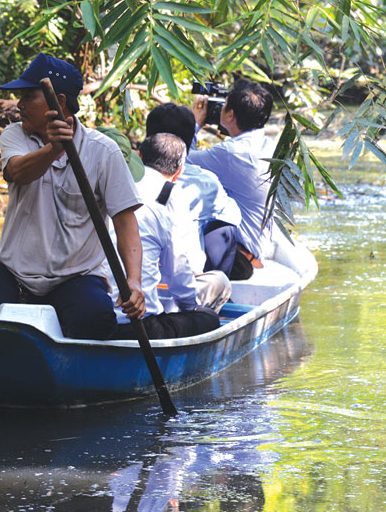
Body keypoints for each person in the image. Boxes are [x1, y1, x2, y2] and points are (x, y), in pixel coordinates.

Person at [0, 54, 145, 340]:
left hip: (76, 276)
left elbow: (125, 222)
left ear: (57, 100)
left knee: (96, 322)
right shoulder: (15, 135)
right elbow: (16, 172)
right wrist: (53, 149)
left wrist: (133, 281)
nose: (19, 105)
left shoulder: (103, 151)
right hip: (13, 274)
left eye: (28, 96)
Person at [108, 134, 224, 341]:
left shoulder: (97, 200)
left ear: (139, 157)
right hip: (140, 324)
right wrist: (191, 309)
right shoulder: (161, 207)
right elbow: (179, 275)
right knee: (209, 319)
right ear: (179, 172)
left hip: (95, 315)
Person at [145, 102, 252, 280]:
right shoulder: (204, 182)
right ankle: (219, 288)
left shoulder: (128, 175)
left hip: (133, 277)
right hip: (182, 281)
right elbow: (232, 219)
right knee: (224, 223)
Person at [187, 80, 278, 261]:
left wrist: (195, 123)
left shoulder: (231, 153)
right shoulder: (268, 145)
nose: (219, 109)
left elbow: (180, 161)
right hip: (259, 245)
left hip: (240, 256)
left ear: (230, 116)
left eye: (224, 105)